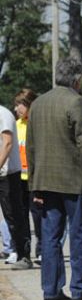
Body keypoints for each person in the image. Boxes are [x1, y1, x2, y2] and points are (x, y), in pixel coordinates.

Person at [27, 57, 82, 300]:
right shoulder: (76, 101)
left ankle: (51, 290)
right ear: (77, 79)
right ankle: (81, 289)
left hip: (46, 181)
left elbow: (30, 146)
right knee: (78, 233)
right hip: (73, 181)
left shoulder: (38, 104)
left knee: (50, 237)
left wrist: (34, 185)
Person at [0, 103, 32, 270]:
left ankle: (23, 255)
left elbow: (7, 143)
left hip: (7, 173)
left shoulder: (3, 114)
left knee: (13, 216)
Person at [13, 89, 41, 264]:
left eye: (20, 105)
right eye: (16, 105)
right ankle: (24, 253)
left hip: (36, 179)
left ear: (30, 104)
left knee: (39, 218)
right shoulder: (16, 126)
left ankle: (42, 251)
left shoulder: (38, 125)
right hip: (19, 180)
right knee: (21, 218)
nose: (17, 109)